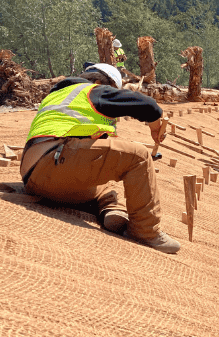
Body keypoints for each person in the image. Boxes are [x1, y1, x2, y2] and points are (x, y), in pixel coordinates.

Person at [20, 63, 181, 254]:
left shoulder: (56, 97)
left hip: (34, 177)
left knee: (105, 184)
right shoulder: (90, 90)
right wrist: (156, 125)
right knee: (139, 156)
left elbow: (91, 144)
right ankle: (145, 232)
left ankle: (112, 209)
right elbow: (148, 106)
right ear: (98, 82)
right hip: (56, 160)